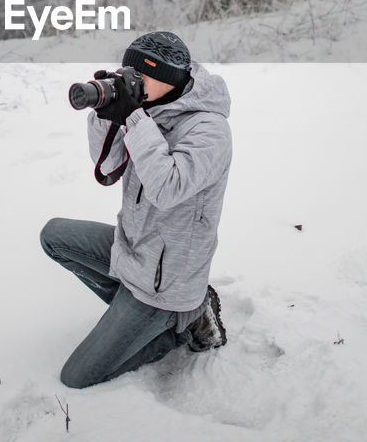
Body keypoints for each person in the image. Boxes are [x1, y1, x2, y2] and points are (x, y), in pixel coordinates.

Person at [40, 31, 232, 389]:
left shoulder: (210, 129)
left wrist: (135, 118)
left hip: (165, 285)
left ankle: (182, 324)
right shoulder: (151, 109)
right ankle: (131, 320)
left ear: (172, 80)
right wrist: (104, 112)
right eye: (130, 71)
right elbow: (109, 166)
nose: (134, 81)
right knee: (53, 236)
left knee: (76, 377)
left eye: (144, 75)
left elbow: (167, 188)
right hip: (132, 250)